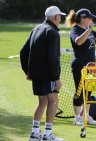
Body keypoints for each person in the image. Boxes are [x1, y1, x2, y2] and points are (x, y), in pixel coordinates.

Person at [20, 6, 65, 141]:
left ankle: (35, 133)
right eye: (59, 16)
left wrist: (27, 71)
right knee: (53, 101)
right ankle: (47, 134)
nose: (60, 19)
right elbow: (53, 57)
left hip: (37, 74)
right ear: (55, 17)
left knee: (42, 102)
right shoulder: (53, 33)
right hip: (48, 75)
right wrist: (56, 78)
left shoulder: (36, 29)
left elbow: (23, 52)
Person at [65, 8, 96, 126]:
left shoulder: (89, 30)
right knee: (79, 91)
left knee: (88, 91)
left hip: (91, 66)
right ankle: (77, 117)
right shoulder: (75, 30)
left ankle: (86, 116)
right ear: (82, 18)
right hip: (79, 66)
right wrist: (88, 30)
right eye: (89, 17)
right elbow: (78, 41)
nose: (92, 19)